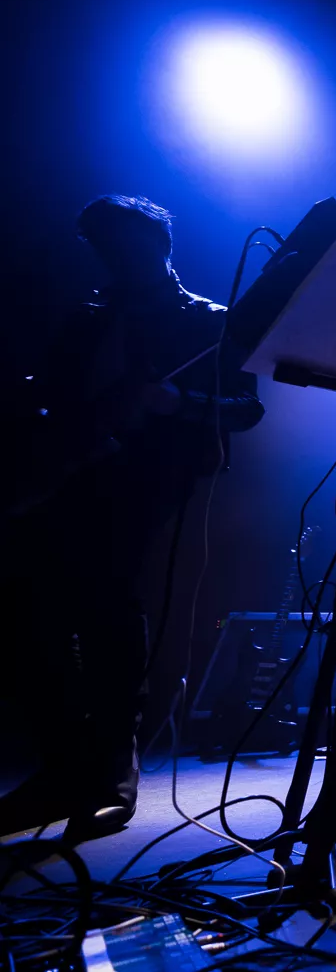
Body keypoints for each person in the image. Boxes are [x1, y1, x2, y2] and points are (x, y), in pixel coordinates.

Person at [0, 196, 264, 840]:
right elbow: (48, 395)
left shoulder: (210, 321)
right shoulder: (87, 316)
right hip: (70, 476)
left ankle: (116, 761)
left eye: (126, 243)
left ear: (159, 244)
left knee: (107, 601)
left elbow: (245, 407)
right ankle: (65, 762)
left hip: (150, 478)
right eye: (102, 245)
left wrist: (174, 400)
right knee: (29, 609)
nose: (114, 256)